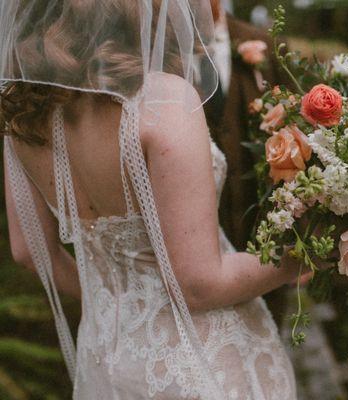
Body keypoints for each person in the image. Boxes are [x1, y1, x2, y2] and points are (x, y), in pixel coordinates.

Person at [0, 0, 310, 398]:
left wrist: (119, 302)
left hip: (108, 358)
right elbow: (199, 285)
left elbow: (28, 252)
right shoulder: (162, 100)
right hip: (201, 363)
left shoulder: (22, 110)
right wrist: (305, 255)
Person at [205, 0, 291, 325]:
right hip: (201, 236)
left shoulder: (264, 45)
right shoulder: (162, 51)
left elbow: (298, 133)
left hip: (263, 230)